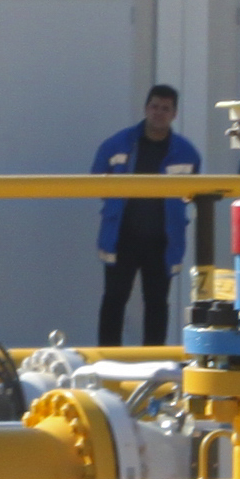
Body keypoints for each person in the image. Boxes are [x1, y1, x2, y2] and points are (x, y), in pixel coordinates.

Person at [91, 84, 202, 346]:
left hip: (162, 242)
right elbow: (96, 178)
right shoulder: (117, 144)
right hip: (122, 238)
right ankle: (107, 361)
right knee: (114, 298)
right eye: (154, 106)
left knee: (156, 303)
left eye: (165, 108)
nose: (158, 113)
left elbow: (195, 193)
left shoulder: (187, 153)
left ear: (174, 114)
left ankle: (155, 363)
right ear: (145, 108)